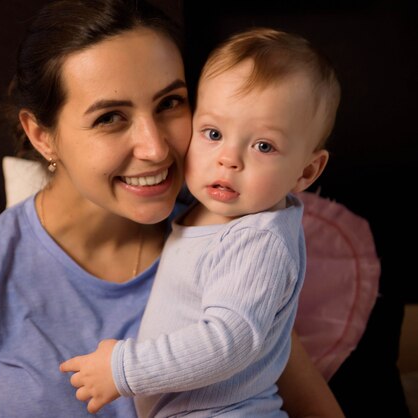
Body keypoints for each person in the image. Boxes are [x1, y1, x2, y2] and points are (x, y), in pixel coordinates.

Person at [0, 1, 344, 417]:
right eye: (110, 117)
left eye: (170, 103)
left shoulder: (231, 232)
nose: (154, 148)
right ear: (41, 135)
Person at [60, 27, 341, 418]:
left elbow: (229, 341)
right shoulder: (204, 209)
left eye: (263, 146)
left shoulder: (259, 241)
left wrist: (124, 369)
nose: (228, 159)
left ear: (306, 172)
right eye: (212, 133)